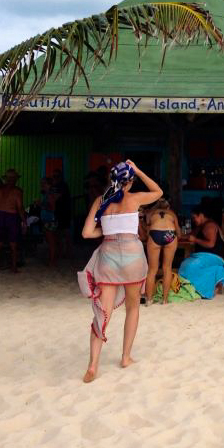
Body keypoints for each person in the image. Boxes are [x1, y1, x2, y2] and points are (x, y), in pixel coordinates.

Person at [78, 160, 162, 383]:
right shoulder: (135, 199)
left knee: (102, 313)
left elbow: (86, 233)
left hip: (108, 257)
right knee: (133, 307)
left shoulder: (101, 201)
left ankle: (93, 365)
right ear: (130, 182)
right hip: (132, 256)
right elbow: (158, 191)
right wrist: (139, 169)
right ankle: (125, 357)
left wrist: (107, 231)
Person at [178, 203, 224, 299]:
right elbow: (190, 235)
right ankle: (217, 271)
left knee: (188, 266)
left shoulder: (210, 226)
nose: (193, 220)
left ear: (201, 215)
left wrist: (195, 240)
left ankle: (204, 290)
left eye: (195, 217)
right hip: (207, 255)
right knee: (186, 264)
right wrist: (179, 236)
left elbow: (211, 244)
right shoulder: (200, 226)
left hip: (215, 256)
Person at [142, 199, 180, 304]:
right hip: (170, 234)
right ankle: (164, 300)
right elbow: (179, 232)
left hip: (155, 234)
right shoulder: (172, 213)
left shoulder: (151, 213)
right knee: (167, 268)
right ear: (168, 207)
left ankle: (149, 300)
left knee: (152, 269)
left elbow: (147, 232)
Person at [0, 169, 27, 273]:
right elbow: (20, 207)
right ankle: (13, 267)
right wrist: (24, 221)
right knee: (13, 244)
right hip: (12, 217)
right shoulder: (17, 191)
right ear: (15, 179)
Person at [52, 169, 72, 258]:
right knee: (59, 232)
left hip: (64, 212)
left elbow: (56, 198)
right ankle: (62, 251)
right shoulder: (56, 185)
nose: (55, 178)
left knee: (65, 232)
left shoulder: (62, 185)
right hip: (59, 211)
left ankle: (67, 252)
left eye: (56, 176)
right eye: (54, 176)